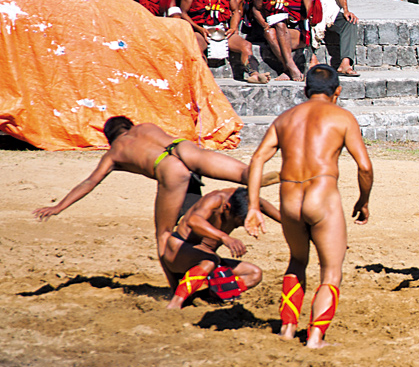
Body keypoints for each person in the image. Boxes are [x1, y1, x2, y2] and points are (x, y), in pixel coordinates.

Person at [33, 116, 275, 289]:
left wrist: (58, 206)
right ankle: (295, 175)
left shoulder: (114, 151)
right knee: (249, 176)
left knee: (163, 235)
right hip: (183, 148)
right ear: (129, 126)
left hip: (169, 168)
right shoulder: (146, 127)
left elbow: (89, 182)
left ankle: (175, 289)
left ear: (110, 138)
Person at [245, 64, 373, 349]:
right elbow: (364, 166)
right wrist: (363, 200)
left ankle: (288, 329)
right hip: (321, 197)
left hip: (289, 200)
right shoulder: (342, 118)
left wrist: (254, 205)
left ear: (305, 90)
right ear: (337, 91)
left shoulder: (285, 118)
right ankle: (315, 337)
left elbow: (257, 160)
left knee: (297, 261)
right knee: (331, 272)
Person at [164, 187, 281, 309]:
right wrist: (224, 237)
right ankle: (175, 303)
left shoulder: (251, 201)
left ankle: (198, 296)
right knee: (210, 261)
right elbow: (194, 221)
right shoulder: (215, 200)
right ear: (227, 207)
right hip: (179, 251)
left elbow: (282, 217)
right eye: (238, 222)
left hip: (208, 258)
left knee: (254, 273)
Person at [179, 0, 268, 83]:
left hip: (221, 29)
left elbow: (235, 11)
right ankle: (201, 77)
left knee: (246, 45)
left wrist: (232, 27)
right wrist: (199, 29)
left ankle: (254, 74)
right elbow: (183, 13)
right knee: (196, 46)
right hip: (201, 30)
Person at [252, 0, 312, 81]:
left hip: (297, 32)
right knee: (269, 32)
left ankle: (289, 68)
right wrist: (264, 24)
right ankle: (291, 68)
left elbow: (309, 11)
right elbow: (256, 9)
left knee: (280, 24)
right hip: (277, 32)